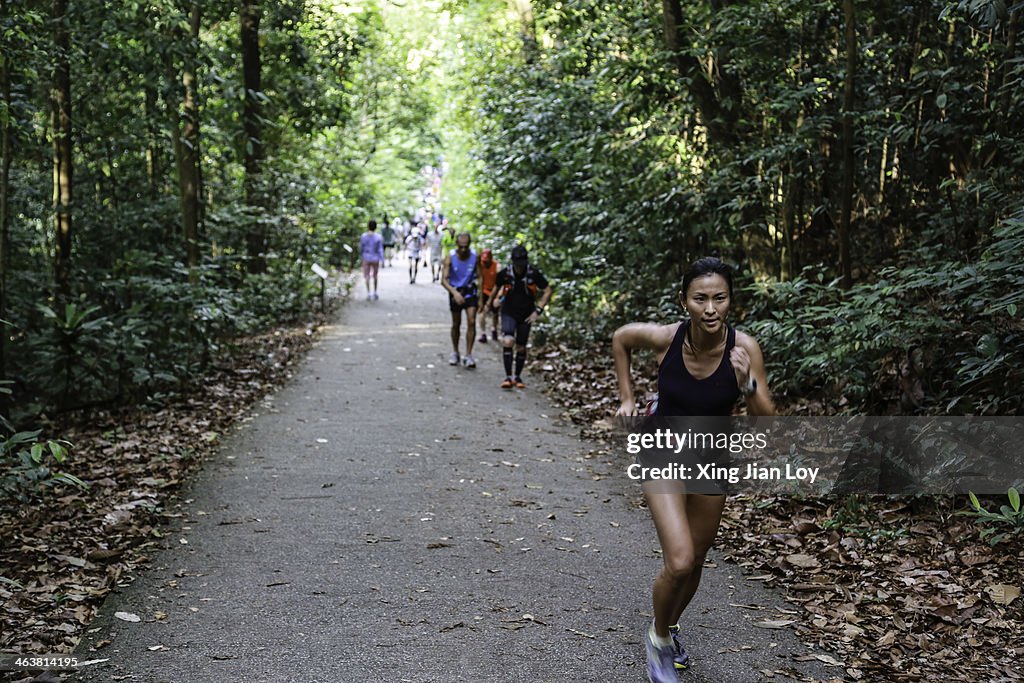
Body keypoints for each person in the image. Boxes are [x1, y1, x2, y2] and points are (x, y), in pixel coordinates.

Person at [610, 256, 775, 683]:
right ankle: (660, 640)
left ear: (730, 302)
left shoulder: (745, 349)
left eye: (719, 298)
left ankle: (667, 625)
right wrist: (627, 398)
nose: (710, 308)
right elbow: (621, 339)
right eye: (700, 298)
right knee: (680, 561)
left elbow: (766, 419)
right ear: (685, 302)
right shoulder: (667, 339)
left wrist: (748, 384)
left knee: (697, 559)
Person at [492, 245, 552, 389]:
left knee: (521, 347)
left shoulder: (533, 273)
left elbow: (548, 290)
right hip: (509, 311)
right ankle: (508, 377)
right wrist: (493, 301)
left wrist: (538, 311)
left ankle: (517, 376)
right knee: (508, 340)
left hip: (526, 313)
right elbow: (497, 287)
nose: (519, 267)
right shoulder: (505, 274)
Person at [441, 232, 479, 368]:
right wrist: (454, 293)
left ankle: (468, 354)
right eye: (461, 246)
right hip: (455, 291)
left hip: (470, 292)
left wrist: (482, 297)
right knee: (456, 323)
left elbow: (480, 276)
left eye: (466, 246)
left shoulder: (475, 256)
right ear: (457, 245)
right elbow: (444, 280)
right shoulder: (450, 257)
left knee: (472, 321)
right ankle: (455, 351)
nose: (463, 249)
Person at [476, 248, 500, 343]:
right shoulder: (480, 266)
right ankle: (483, 333)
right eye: (483, 261)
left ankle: (494, 329)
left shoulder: (497, 266)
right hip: (484, 291)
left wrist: (498, 297)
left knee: (495, 313)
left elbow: (500, 283)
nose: (485, 263)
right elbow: (480, 283)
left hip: (495, 291)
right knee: (482, 312)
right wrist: (481, 300)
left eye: (487, 261)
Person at [359, 219, 384, 300]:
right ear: (375, 227)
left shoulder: (363, 236)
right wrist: (382, 259)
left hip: (366, 257)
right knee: (375, 275)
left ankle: (369, 293)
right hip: (375, 258)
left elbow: (361, 248)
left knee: (367, 276)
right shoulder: (378, 237)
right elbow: (380, 249)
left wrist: (361, 256)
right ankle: (375, 292)